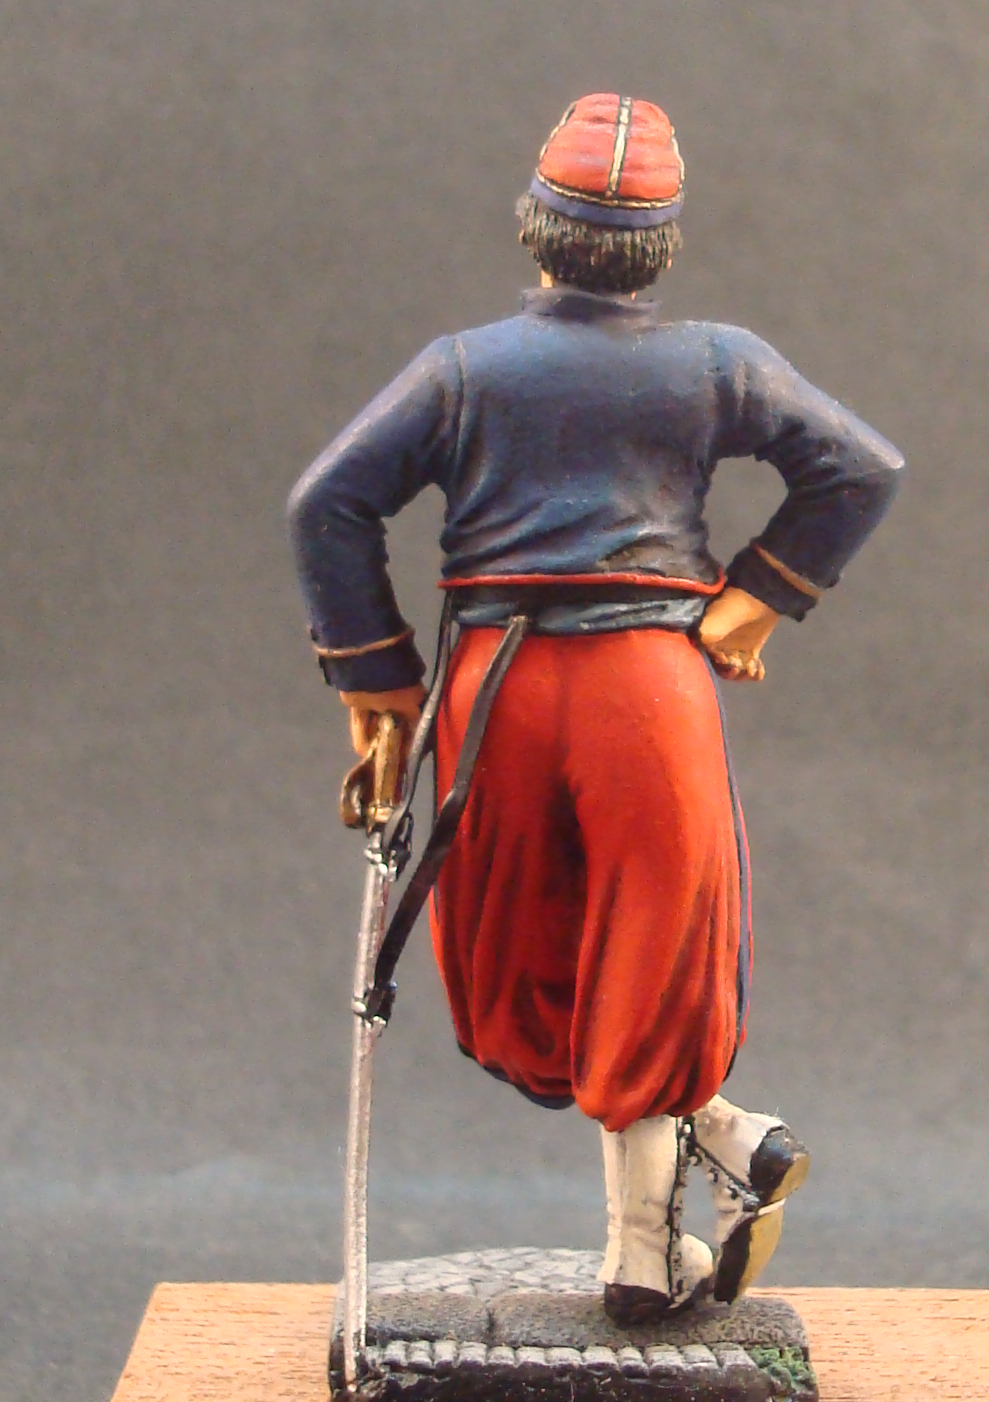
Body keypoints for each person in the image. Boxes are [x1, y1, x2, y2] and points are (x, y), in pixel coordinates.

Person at [286, 95, 902, 1322]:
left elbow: (328, 506)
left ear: (535, 228)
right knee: (653, 948)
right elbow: (859, 467)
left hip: (496, 694)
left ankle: (647, 1246)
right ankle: (716, 1148)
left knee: (522, 959)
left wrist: (380, 685)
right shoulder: (717, 361)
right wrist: (757, 598)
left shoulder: (463, 368)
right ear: (661, 246)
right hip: (648, 692)